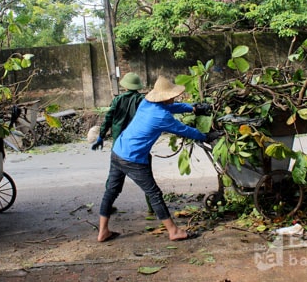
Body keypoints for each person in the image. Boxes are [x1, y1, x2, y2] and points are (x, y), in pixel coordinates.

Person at [97, 76, 217, 242]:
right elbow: (183, 129)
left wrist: (192, 109)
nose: (174, 97)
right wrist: (205, 136)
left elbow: (172, 107)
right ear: (166, 97)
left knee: (111, 190)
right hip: (133, 159)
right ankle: (173, 231)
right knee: (154, 193)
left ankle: (103, 231)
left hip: (118, 150)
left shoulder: (147, 103)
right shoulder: (161, 117)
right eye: (172, 95)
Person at [90, 72, 156, 214]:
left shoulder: (117, 100)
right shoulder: (143, 100)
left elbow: (108, 118)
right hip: (137, 144)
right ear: (137, 86)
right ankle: (152, 208)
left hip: (119, 147)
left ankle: (107, 207)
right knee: (147, 178)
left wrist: (101, 136)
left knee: (113, 179)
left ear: (125, 86)